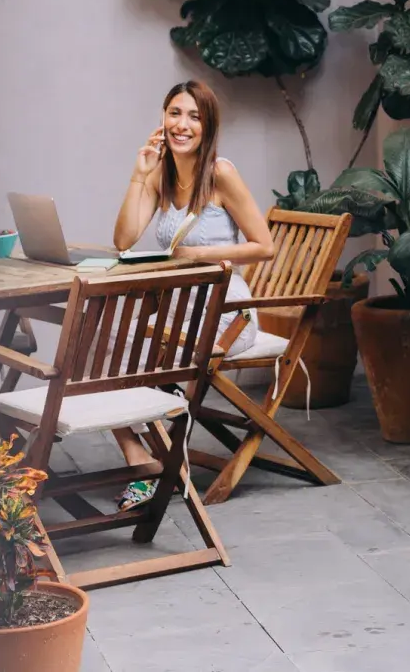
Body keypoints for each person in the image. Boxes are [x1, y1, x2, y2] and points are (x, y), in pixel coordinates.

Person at [109, 79, 275, 509]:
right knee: (103, 360)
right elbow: (124, 239)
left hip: (227, 313)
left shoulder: (220, 173)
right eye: (175, 114)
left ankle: (161, 452)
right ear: (162, 119)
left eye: (194, 117)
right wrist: (139, 173)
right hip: (182, 309)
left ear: (208, 126)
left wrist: (200, 253)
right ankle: (143, 461)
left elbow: (264, 246)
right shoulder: (160, 176)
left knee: (139, 360)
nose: (182, 125)